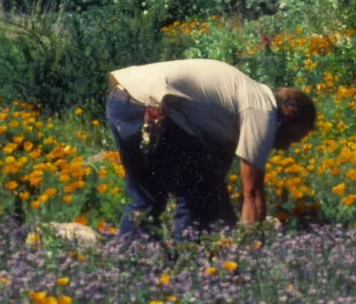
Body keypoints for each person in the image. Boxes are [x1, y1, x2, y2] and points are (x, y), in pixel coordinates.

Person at [105, 58, 317, 240]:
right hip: (152, 107)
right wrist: (249, 251)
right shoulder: (262, 109)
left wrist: (230, 228)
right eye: (295, 136)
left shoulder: (231, 108)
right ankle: (189, 268)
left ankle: (128, 264)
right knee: (195, 198)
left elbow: (216, 182)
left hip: (121, 101)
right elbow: (252, 194)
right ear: (288, 113)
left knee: (146, 199)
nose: (289, 146)